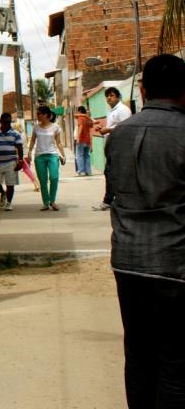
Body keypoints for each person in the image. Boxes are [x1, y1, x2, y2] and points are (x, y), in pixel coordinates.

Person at [104, 54, 185, 407]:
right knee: (175, 361)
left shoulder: (118, 135)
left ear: (143, 88)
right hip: (174, 265)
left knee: (138, 354)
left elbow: (114, 192)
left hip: (127, 261)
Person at [92, 87, 133, 210]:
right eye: (107, 96)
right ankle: (112, 200)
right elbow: (115, 127)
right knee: (110, 173)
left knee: (112, 173)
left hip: (120, 147)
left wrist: (108, 129)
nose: (109, 98)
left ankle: (109, 201)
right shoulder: (113, 111)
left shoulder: (123, 110)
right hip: (112, 145)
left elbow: (127, 127)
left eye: (111, 95)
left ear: (118, 96)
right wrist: (103, 129)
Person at [27, 105, 66, 211]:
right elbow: (32, 141)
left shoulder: (56, 127)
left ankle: (52, 201)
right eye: (37, 114)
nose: (37, 116)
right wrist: (29, 152)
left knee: (54, 177)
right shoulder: (35, 127)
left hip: (53, 155)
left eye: (39, 114)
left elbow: (58, 142)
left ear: (46, 115)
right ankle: (46, 202)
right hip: (39, 156)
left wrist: (63, 154)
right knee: (43, 181)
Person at [0, 112, 23, 211]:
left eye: (9, 122)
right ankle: (2, 193)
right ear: (0, 121)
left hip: (11, 162)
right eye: (5, 122)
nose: (7, 124)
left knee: (10, 184)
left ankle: (9, 203)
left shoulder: (15, 134)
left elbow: (20, 147)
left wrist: (20, 160)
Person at [73, 106, 94, 176]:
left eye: (77, 111)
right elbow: (90, 130)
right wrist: (91, 144)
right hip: (87, 140)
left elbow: (81, 127)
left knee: (80, 155)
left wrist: (78, 138)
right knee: (87, 156)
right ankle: (88, 171)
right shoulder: (88, 119)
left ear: (80, 111)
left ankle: (81, 171)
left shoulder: (80, 118)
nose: (77, 113)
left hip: (81, 139)